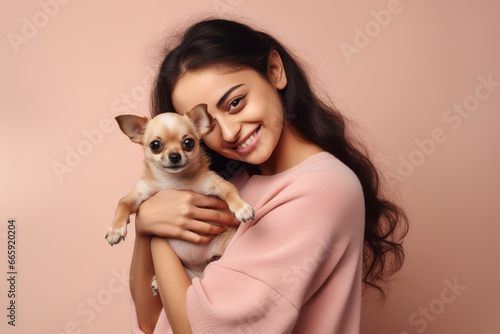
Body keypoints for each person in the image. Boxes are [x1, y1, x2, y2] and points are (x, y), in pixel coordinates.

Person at [129, 18, 408, 334]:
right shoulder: (233, 186)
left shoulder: (323, 189)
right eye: (207, 123)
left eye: (235, 102)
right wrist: (144, 228)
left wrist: (160, 236)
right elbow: (151, 323)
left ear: (275, 71)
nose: (231, 132)